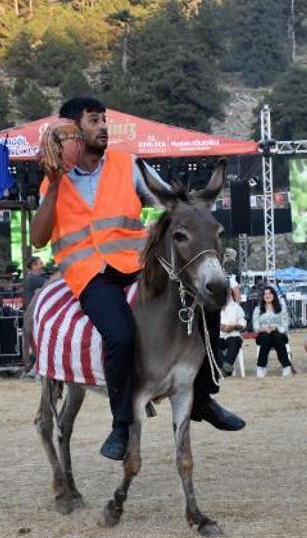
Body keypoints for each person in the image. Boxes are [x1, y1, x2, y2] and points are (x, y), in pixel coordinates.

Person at [30, 96, 243, 461]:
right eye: (94, 121)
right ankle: (120, 424)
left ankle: (203, 397)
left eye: (104, 120)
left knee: (204, 299)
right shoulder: (54, 182)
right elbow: (38, 239)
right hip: (89, 277)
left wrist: (197, 207)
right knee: (120, 334)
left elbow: (169, 201)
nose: (103, 127)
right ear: (71, 132)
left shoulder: (127, 165)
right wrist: (52, 182)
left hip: (135, 266)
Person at [252, 286, 292, 377]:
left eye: (270, 293)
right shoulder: (258, 309)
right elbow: (255, 327)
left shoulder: (281, 308)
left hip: (279, 334)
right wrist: (264, 328)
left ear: (274, 295)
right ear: (262, 296)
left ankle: (286, 367)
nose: (267, 295)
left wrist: (276, 327)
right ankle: (261, 367)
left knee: (276, 335)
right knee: (266, 336)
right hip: (263, 335)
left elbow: (285, 326)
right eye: (265, 294)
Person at [219, 294, 246, 375]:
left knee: (234, 341)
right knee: (212, 343)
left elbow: (243, 324)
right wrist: (218, 326)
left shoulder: (236, 307)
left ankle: (225, 367)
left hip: (233, 335)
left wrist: (234, 327)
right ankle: (226, 367)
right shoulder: (214, 307)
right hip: (218, 335)